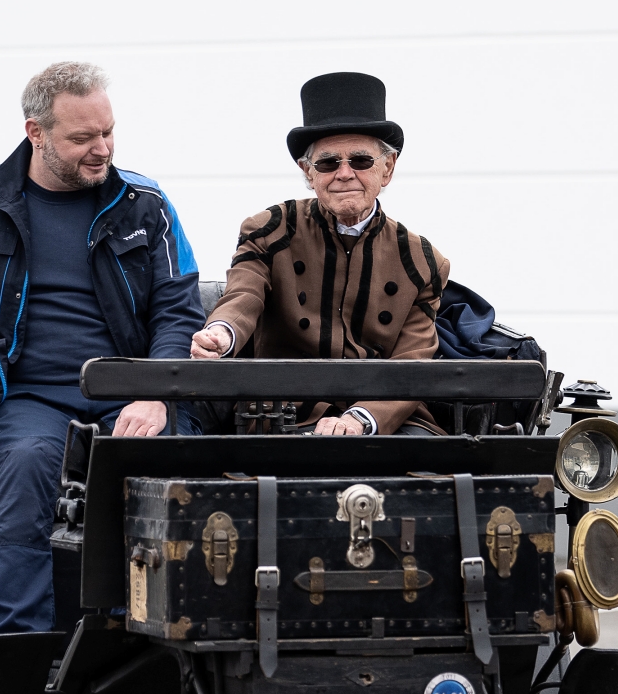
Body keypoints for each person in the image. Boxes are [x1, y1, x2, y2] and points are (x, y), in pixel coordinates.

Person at [0, 62, 204, 633]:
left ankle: (173, 645)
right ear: (36, 133)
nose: (102, 149)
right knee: (28, 465)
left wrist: (154, 395)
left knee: (179, 473)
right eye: (82, 138)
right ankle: (14, 656)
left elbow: (179, 312)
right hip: (25, 401)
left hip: (135, 394)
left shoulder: (146, 204)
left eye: (108, 132)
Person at [189, 72, 450, 436]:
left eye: (360, 160)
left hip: (386, 416)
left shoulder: (423, 261)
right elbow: (243, 294)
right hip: (284, 410)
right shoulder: (269, 230)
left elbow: (412, 361)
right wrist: (221, 333)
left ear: (387, 169)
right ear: (307, 173)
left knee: (434, 473)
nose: (344, 174)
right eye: (328, 163)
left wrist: (359, 421)